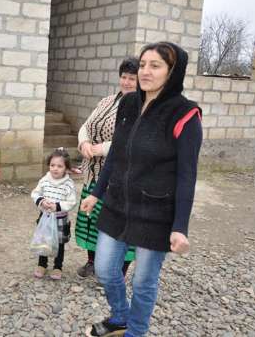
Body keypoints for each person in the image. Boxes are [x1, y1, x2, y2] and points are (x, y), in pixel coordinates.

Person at [81, 42, 203, 337]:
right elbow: (117, 153)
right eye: (143, 64)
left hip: (156, 211)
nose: (145, 71)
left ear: (173, 72)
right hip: (117, 204)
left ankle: (136, 331)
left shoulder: (185, 115)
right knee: (106, 269)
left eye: (155, 65)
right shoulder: (128, 103)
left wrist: (179, 227)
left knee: (143, 281)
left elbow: (187, 175)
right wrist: (97, 193)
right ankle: (121, 316)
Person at [75, 58, 139, 278]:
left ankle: (118, 272)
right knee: (90, 219)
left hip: (119, 176)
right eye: (124, 76)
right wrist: (84, 143)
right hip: (93, 172)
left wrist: (99, 148)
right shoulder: (106, 101)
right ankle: (92, 262)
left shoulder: (141, 107)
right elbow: (87, 125)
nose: (127, 82)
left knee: (118, 223)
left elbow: (132, 140)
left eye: (132, 78)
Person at [31, 148, 77, 280]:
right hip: (45, 217)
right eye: (52, 165)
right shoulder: (45, 180)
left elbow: (72, 201)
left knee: (60, 243)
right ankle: (42, 264)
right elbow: (35, 193)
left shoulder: (68, 184)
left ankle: (57, 266)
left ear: (66, 168)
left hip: (60, 219)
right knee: (44, 240)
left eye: (59, 166)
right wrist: (41, 201)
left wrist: (57, 206)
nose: (55, 169)